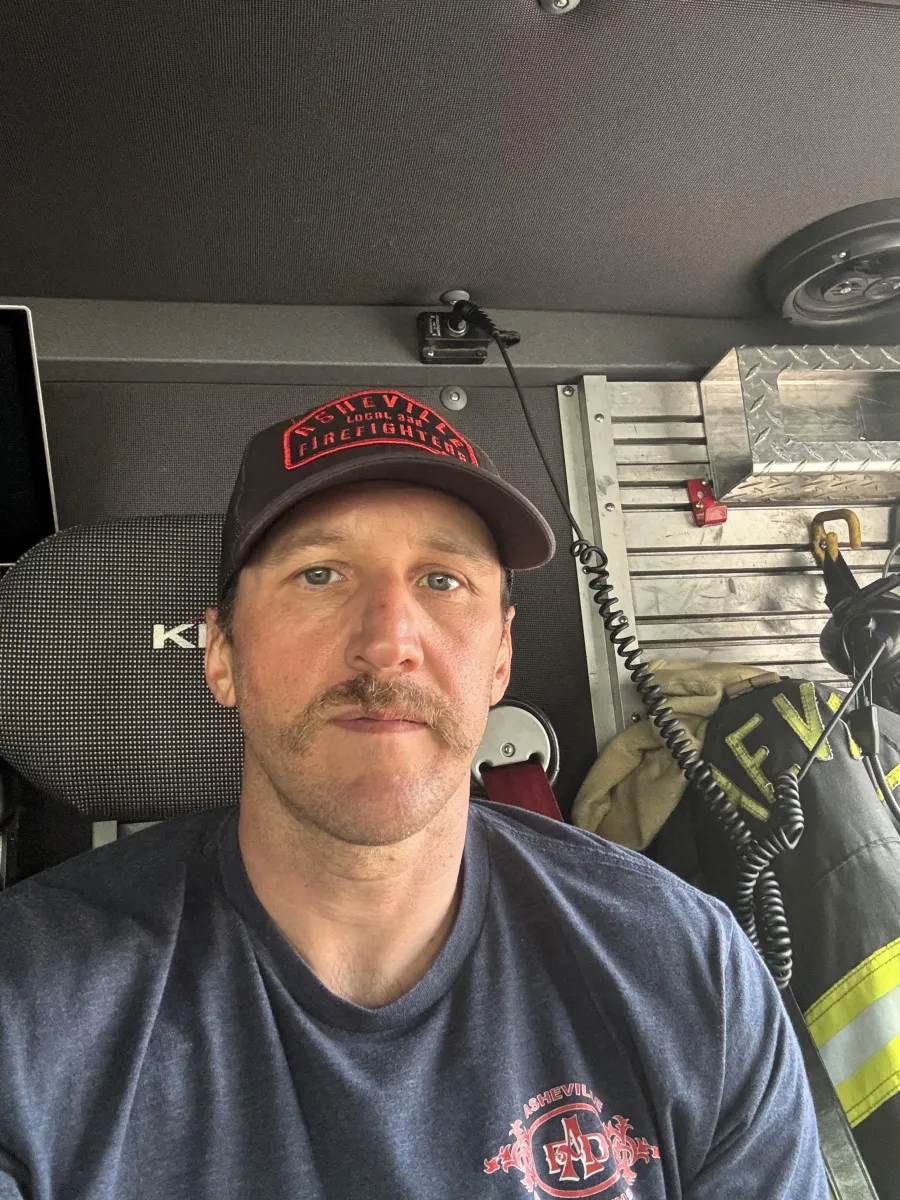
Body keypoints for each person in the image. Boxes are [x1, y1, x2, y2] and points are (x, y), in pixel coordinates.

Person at [0, 391, 827, 1198]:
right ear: (221, 656)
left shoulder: (690, 972)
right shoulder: (26, 1002)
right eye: (319, 574)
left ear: (500, 659)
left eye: (441, 580)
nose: (388, 640)